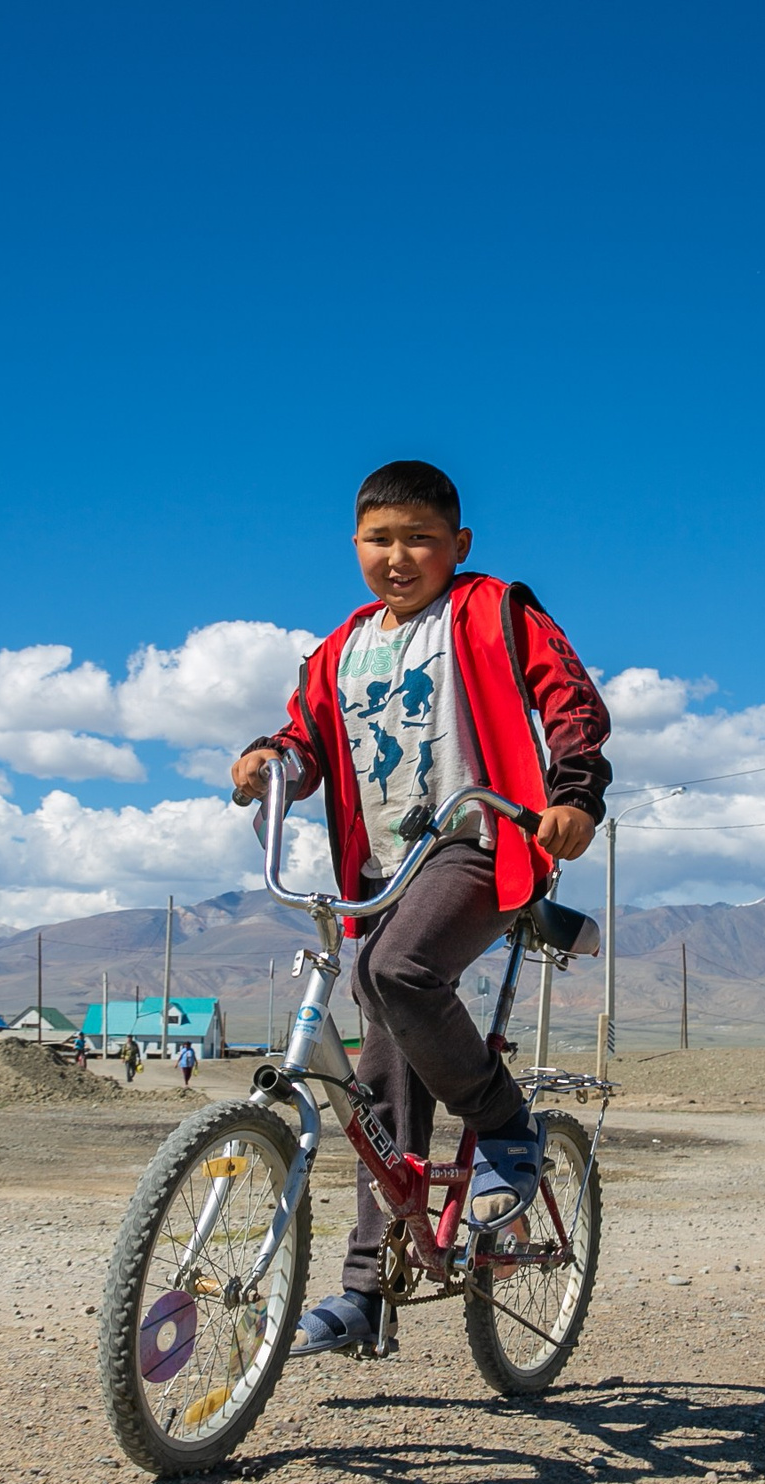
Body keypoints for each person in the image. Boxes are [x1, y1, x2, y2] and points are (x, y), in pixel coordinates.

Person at [229, 459, 610, 1357]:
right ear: (354, 544)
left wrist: (574, 795)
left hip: (480, 837)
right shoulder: (337, 649)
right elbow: (307, 740)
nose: (397, 556)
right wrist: (270, 758)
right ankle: (367, 1291)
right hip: (382, 867)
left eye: (420, 539)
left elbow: (570, 699)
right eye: (379, 539)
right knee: (379, 1076)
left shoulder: (492, 608)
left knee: (392, 969)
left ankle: (505, 1124)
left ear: (458, 544)